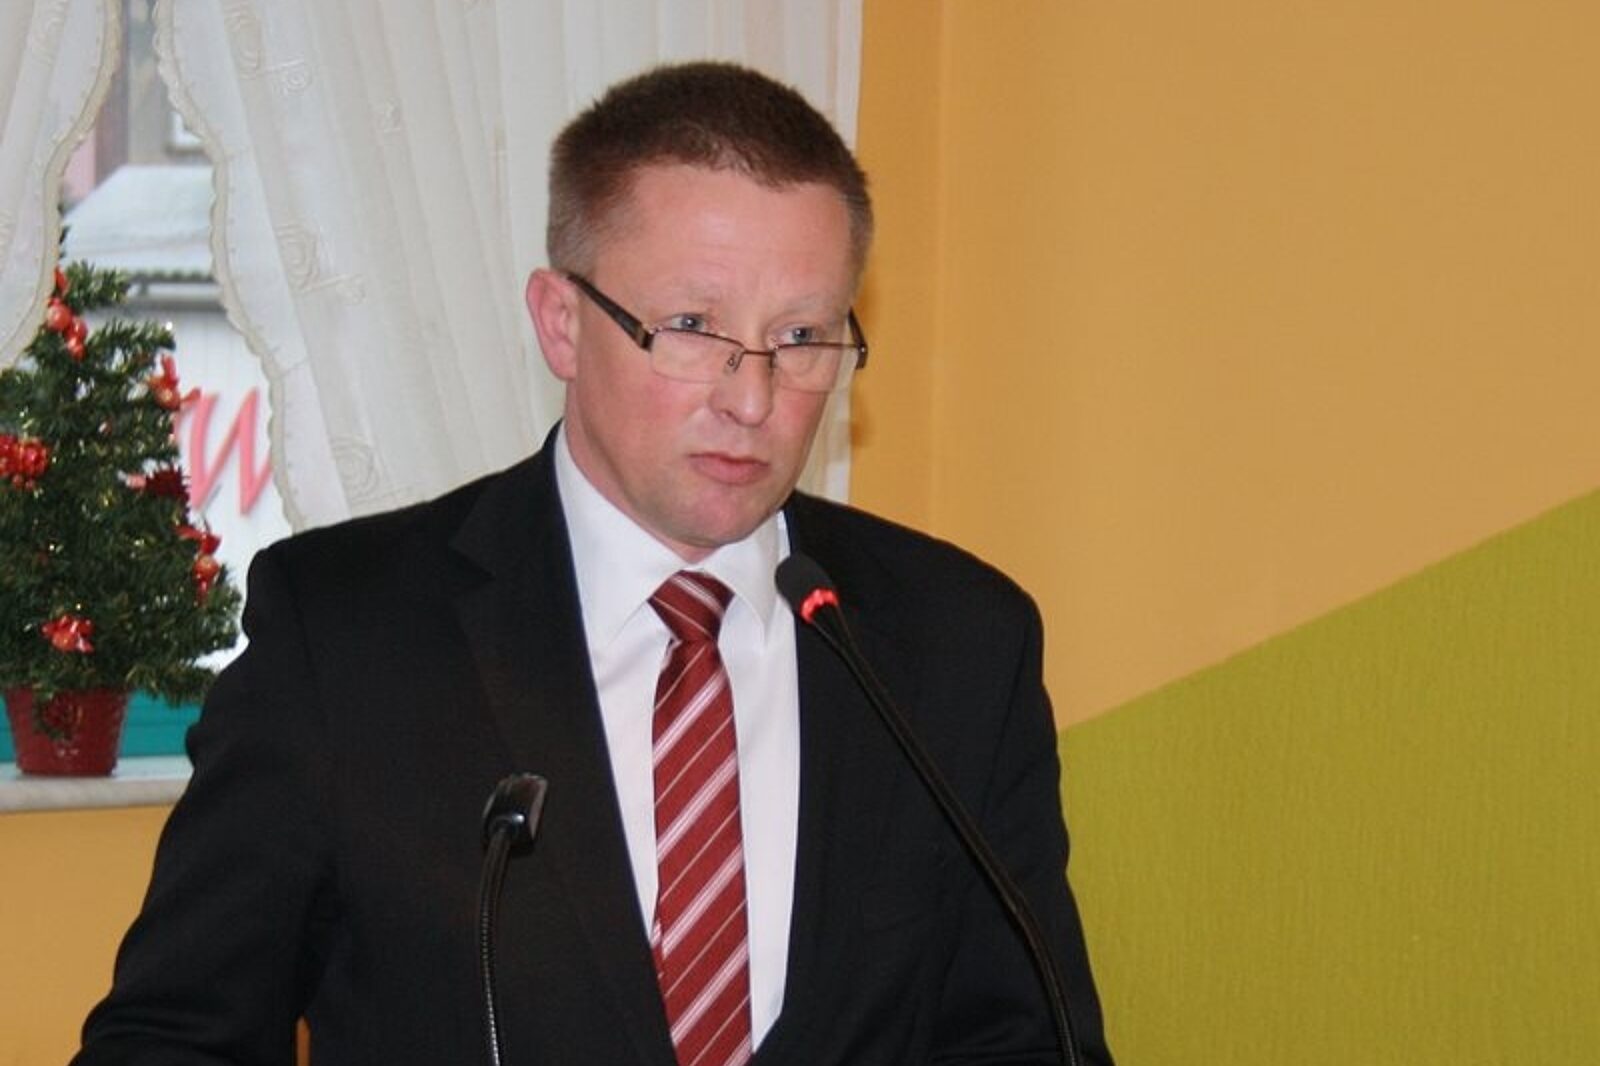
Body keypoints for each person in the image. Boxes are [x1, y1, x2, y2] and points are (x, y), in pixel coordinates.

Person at [73, 62, 1113, 1065]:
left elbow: (1028, 1041)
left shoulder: (956, 642)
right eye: (692, 326)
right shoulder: (347, 631)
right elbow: (171, 1039)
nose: (752, 398)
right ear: (562, 324)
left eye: (801, 335)